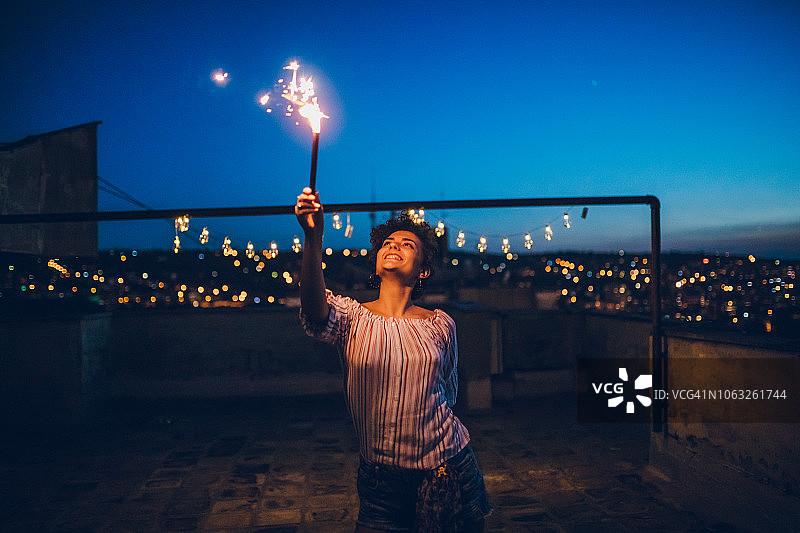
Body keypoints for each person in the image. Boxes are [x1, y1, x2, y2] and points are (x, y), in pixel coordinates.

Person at [295, 187, 492, 532]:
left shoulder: (440, 323)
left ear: (423, 271)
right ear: (376, 262)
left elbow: (448, 391)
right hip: (380, 482)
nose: (393, 246)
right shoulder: (351, 317)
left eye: (407, 244)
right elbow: (314, 311)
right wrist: (314, 238)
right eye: (387, 243)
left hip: (449, 468)